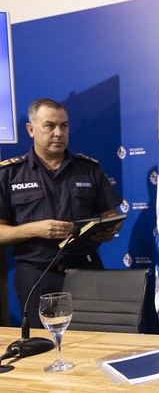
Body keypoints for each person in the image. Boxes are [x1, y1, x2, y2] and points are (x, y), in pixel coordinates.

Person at [0, 98, 122, 328]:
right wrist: (34, 229)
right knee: (43, 348)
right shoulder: (9, 174)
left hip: (86, 272)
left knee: (95, 343)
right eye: (50, 126)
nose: (58, 133)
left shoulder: (88, 169)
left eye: (64, 126)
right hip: (37, 277)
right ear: (31, 130)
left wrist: (109, 227)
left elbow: (110, 214)